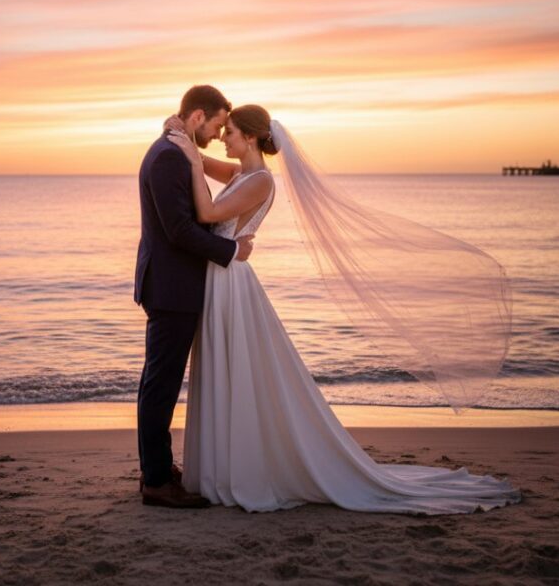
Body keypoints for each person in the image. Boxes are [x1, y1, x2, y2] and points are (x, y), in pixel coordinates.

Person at [164, 104, 522, 514]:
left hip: (230, 285)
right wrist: (186, 139)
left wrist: (191, 159)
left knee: (238, 372)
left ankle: (240, 469)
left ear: (248, 137)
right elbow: (207, 165)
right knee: (224, 370)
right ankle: (220, 468)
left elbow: (208, 213)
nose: (223, 138)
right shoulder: (242, 173)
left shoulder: (260, 181)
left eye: (229, 132)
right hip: (222, 277)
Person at [134, 85, 255, 508]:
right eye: (219, 124)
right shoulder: (168, 156)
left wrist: (193, 150)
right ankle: (155, 481)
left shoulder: (176, 148)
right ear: (199, 116)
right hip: (171, 286)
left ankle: (158, 468)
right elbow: (179, 230)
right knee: (161, 384)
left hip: (173, 284)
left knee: (159, 380)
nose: (220, 132)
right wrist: (231, 251)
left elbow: (234, 175)